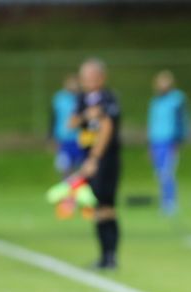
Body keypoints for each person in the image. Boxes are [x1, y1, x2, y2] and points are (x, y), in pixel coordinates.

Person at [68, 58, 122, 270]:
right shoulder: (82, 99)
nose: (86, 81)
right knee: (96, 207)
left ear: (101, 77)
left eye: (90, 76)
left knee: (106, 205)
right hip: (89, 158)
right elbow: (71, 122)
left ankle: (110, 255)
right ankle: (104, 256)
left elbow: (107, 127)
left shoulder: (109, 99)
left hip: (106, 160)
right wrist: (85, 115)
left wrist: (95, 159)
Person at [147, 70, 190, 215]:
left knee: (167, 172)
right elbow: (152, 123)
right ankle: (164, 200)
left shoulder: (177, 99)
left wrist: (178, 140)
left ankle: (170, 202)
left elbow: (181, 120)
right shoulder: (155, 101)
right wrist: (150, 145)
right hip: (156, 142)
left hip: (169, 141)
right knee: (159, 174)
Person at [49, 74, 84, 178]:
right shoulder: (59, 98)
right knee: (65, 166)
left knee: (80, 168)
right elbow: (53, 118)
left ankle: (78, 190)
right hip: (63, 138)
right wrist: (51, 136)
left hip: (80, 138)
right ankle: (67, 189)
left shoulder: (82, 98)